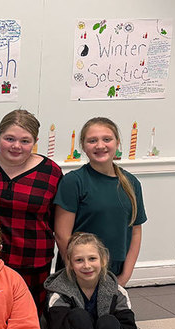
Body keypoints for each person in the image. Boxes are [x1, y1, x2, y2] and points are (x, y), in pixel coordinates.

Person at [0, 110, 62, 309]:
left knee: (27, 317)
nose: (16, 146)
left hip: (32, 261)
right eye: (9, 138)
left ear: (35, 141)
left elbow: (55, 219)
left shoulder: (50, 172)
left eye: (25, 141)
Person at [54, 117, 147, 286]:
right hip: (79, 269)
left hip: (114, 271)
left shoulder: (132, 183)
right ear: (83, 145)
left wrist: (125, 275)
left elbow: (136, 232)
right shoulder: (74, 182)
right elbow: (62, 235)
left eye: (107, 139)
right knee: (78, 314)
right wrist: (77, 271)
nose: (100, 145)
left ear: (117, 143)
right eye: (92, 140)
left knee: (110, 313)